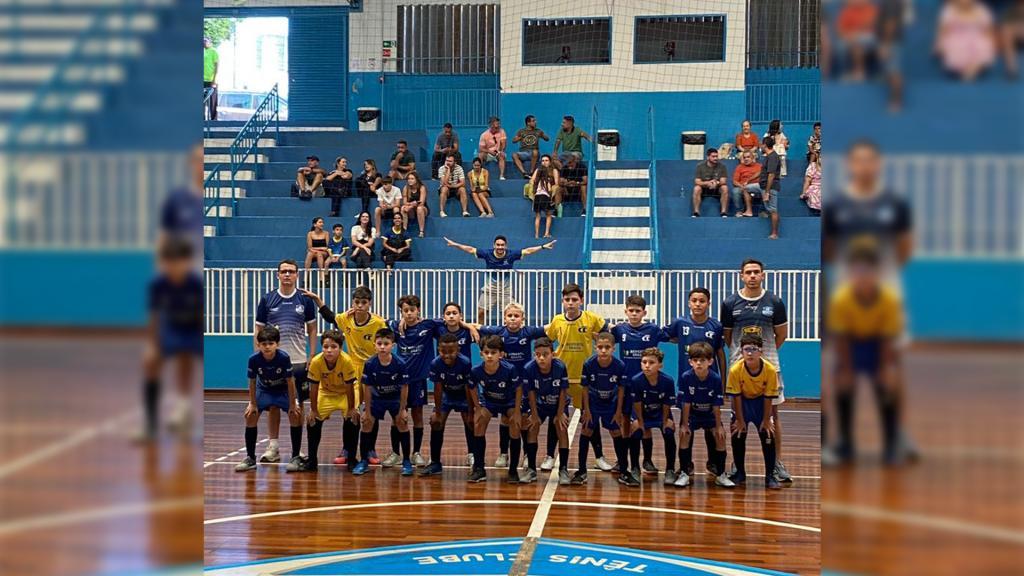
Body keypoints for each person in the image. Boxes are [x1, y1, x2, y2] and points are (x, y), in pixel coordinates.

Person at [827, 238, 906, 466]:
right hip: (851, 346)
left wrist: (885, 369)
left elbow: (888, 338)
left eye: (868, 271)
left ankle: (891, 444)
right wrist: (847, 371)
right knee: (843, 390)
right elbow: (841, 338)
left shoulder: (888, 299)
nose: (863, 276)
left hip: (878, 345)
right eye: (858, 270)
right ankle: (846, 444)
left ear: (876, 273)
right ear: (852, 272)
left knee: (888, 389)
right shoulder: (842, 299)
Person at [721, 258, 791, 483]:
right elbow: (729, 336)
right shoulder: (730, 302)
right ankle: (737, 464)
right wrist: (742, 357)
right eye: (748, 272)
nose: (752, 276)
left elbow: (781, 335)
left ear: (763, 275)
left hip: (769, 364)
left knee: (773, 415)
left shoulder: (775, 302)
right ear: (741, 275)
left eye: (756, 272)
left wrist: (763, 355)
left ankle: (777, 462)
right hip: (739, 366)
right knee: (736, 415)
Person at [304, 284, 388, 465]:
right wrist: (317, 300)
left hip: (372, 368)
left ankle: (370, 449)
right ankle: (347, 449)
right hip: (353, 368)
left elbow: (389, 336)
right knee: (352, 411)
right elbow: (330, 316)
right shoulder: (346, 319)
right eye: (357, 302)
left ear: (370, 304)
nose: (359, 306)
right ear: (353, 302)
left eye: (363, 302)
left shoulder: (378, 323)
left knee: (371, 410)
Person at [253, 260, 317, 469]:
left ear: (297, 275)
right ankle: (273, 447)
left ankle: (297, 450)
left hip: (298, 362)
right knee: (272, 405)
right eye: (284, 272)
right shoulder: (267, 299)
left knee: (295, 406)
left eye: (291, 271)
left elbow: (312, 329)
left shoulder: (305, 300)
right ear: (278, 275)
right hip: (273, 361)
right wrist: (259, 356)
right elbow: (259, 330)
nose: (287, 275)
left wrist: (312, 355)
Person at [139, 237, 202, 441]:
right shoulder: (159, 284)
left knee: (186, 358)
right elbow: (154, 316)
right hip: (172, 328)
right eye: (169, 262)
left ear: (186, 262)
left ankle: (184, 407)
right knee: (150, 364)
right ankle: (150, 425)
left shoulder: (194, 283)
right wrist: (152, 344)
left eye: (178, 262)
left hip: (193, 329)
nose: (174, 266)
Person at [477, 301, 548, 467]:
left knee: (521, 419)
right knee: (505, 419)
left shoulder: (528, 332)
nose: (513, 319)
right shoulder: (498, 332)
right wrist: (467, 325)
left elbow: (550, 327)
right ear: (504, 318)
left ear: (522, 318)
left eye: (516, 316)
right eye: (510, 316)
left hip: (523, 383)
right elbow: (477, 327)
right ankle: (503, 453)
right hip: (504, 382)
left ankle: (524, 455)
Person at [442, 235, 557, 324]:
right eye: (498, 245)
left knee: (511, 314)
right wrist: (455, 244)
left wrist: (542, 247)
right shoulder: (487, 254)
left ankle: (512, 333)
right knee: (481, 313)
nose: (500, 247)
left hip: (505, 291)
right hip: (489, 290)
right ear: (494, 245)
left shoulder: (511, 255)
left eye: (502, 245)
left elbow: (527, 251)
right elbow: (471, 249)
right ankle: (480, 333)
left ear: (505, 246)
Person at [387, 295, 444, 467]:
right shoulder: (396, 327)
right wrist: (397, 322)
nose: (409, 314)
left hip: (418, 380)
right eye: (405, 311)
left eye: (412, 310)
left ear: (418, 310)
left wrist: (468, 327)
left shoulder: (428, 325)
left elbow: (451, 322)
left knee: (417, 415)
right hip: (399, 379)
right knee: (397, 417)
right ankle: (396, 453)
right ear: (401, 312)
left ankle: (416, 452)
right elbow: (382, 322)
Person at [235, 326, 301, 472]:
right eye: (263, 344)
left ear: (277, 344)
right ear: (258, 345)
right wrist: (252, 403)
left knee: (295, 415)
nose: (267, 347)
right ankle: (250, 458)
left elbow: (290, 381)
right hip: (264, 390)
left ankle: (295, 456)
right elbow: (252, 382)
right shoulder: (254, 359)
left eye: (271, 343)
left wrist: (292, 404)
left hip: (282, 390)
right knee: (250, 415)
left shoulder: (283, 357)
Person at [352, 328, 413, 476]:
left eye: (386, 344)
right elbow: (367, 387)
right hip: (377, 398)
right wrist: (366, 409)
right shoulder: (370, 363)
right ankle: (364, 461)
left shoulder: (400, 363)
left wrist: (403, 409)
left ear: (393, 345)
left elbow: (405, 387)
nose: (382, 347)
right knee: (367, 423)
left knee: (402, 423)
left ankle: (406, 461)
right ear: (374, 345)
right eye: (379, 343)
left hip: (395, 398)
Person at [674, 342, 735, 488]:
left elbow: (716, 404)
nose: (699, 363)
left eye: (702, 360)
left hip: (709, 414)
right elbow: (686, 403)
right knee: (684, 435)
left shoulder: (715, 379)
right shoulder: (686, 377)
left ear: (710, 362)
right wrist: (684, 424)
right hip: (693, 414)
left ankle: (720, 474)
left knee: (720, 436)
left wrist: (718, 426)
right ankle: (684, 473)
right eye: (695, 360)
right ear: (690, 362)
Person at [726, 333, 781, 490]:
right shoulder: (736, 370)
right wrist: (740, 420)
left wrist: (765, 420)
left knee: (768, 434)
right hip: (742, 403)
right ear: (741, 352)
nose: (750, 353)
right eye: (746, 349)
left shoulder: (770, 370)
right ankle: (740, 472)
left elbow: (769, 397)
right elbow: (735, 397)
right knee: (737, 433)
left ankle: (770, 475)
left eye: (754, 349)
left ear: (761, 352)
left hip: (760, 404)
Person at [300, 330, 359, 472]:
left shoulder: (346, 361)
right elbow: (313, 387)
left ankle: (351, 459)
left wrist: (351, 409)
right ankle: (312, 460)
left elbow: (349, 387)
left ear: (340, 347)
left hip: (346, 393)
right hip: (326, 393)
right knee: (312, 421)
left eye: (333, 347)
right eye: (326, 347)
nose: (329, 350)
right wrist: (313, 410)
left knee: (353, 419)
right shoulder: (316, 361)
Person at [466, 336, 522, 483]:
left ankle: (513, 470)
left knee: (515, 424)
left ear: (501, 354)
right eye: (486, 352)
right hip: (490, 401)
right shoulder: (476, 370)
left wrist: (516, 412)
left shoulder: (509, 369)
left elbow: (519, 389)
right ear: (481, 354)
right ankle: (479, 468)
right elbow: (472, 387)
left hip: (508, 401)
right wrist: (477, 408)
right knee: (479, 422)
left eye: (493, 352)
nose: (489, 356)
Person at [420, 333, 475, 476]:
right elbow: (438, 389)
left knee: (471, 422)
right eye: (443, 351)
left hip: (463, 395)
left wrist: (471, 412)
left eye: (451, 351)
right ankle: (435, 462)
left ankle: (473, 456)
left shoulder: (465, 362)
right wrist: (438, 413)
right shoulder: (436, 363)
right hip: (447, 394)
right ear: (439, 350)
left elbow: (468, 388)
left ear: (458, 350)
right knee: (436, 423)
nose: (447, 355)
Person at [578, 333, 629, 485]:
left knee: (615, 431)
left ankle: (623, 469)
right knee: (586, 431)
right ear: (595, 348)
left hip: (611, 404)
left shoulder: (619, 366)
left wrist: (618, 411)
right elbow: (585, 389)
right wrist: (586, 410)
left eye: (607, 347)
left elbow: (621, 389)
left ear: (613, 348)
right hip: (593, 403)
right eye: (600, 347)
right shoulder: (589, 364)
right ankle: (581, 471)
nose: (604, 350)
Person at [521, 338, 571, 485]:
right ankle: (531, 469)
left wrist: (560, 413)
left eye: (545, 354)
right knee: (532, 427)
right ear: (534, 354)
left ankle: (563, 469)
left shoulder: (560, 367)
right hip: (539, 405)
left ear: (552, 354)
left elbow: (563, 391)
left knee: (562, 428)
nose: (541, 358)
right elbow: (530, 393)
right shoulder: (529, 368)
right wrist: (535, 415)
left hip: (558, 404)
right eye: (538, 355)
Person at [627, 348, 677, 486]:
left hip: (661, 412)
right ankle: (636, 468)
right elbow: (637, 403)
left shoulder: (667, 381)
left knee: (668, 431)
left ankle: (670, 470)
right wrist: (640, 422)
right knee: (636, 431)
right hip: (642, 412)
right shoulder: (636, 380)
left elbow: (667, 403)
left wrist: (665, 420)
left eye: (651, 362)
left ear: (660, 365)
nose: (647, 365)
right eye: (644, 362)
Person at [662, 287, 728, 380]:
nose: (697, 304)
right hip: (686, 377)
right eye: (694, 301)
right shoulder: (680, 322)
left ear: (708, 304)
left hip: (710, 379)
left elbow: (720, 354)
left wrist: (723, 382)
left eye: (702, 301)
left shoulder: (716, 326)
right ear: (689, 303)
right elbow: (662, 335)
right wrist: (679, 339)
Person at [935, 0, 996, 82]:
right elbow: (943, 30)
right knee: (954, 46)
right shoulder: (949, 11)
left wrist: (991, 41)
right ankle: (962, 69)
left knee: (984, 45)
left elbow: (988, 29)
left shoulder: (981, 10)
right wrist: (939, 43)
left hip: (977, 37)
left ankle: (974, 67)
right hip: (955, 37)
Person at [835, 0, 879, 81]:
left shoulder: (871, 9)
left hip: (868, 38)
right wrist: (849, 36)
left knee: (860, 43)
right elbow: (840, 30)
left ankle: (860, 72)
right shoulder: (847, 11)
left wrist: (856, 35)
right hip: (849, 37)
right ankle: (846, 72)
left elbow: (870, 26)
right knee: (840, 46)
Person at [692, 148, 729, 218]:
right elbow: (697, 181)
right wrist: (707, 183)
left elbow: (723, 181)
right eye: (713, 156)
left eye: (716, 156)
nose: (716, 158)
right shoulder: (700, 166)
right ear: (708, 157)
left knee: (725, 188)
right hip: (704, 188)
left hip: (717, 188)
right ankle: (696, 212)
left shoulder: (722, 166)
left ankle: (723, 212)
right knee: (696, 188)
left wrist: (716, 183)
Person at [759, 136, 782, 239]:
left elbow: (771, 175)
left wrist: (767, 192)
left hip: (771, 188)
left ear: (765, 145)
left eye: (761, 144)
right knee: (748, 188)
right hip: (763, 186)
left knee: (773, 210)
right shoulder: (767, 157)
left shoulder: (773, 157)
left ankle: (774, 233)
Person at [731, 150, 763, 217]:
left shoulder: (760, 166)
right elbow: (734, 181)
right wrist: (741, 186)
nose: (746, 159)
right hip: (742, 186)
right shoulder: (739, 167)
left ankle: (763, 211)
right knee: (735, 191)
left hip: (756, 186)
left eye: (748, 157)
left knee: (766, 189)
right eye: (744, 157)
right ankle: (740, 211)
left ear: (753, 158)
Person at [438, 154, 470, 218]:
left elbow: (463, 183)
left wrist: (453, 186)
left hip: (455, 188)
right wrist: (448, 170)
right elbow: (444, 183)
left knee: (462, 189)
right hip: (446, 188)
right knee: (444, 189)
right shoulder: (441, 168)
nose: (448, 162)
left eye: (450, 161)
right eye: (447, 160)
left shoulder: (459, 168)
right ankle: (442, 211)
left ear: (455, 162)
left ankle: (465, 211)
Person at [401, 171, 429, 237]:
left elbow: (421, 202)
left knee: (419, 208)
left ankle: (421, 231)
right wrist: (411, 205)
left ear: (416, 180)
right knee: (403, 208)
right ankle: (404, 230)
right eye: (408, 179)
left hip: (423, 209)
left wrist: (411, 206)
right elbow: (404, 202)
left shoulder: (422, 187)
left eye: (412, 179)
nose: (410, 180)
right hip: (412, 211)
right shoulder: (406, 188)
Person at [531, 164, 555, 238]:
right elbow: (550, 190)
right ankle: (546, 233)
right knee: (548, 215)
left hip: (537, 197)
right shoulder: (546, 180)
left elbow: (533, 191)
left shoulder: (536, 182)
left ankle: (536, 234)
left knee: (538, 216)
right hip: (545, 197)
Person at [1001, 0, 1024, 78]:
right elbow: (1006, 27)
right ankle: (1012, 69)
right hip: (1017, 35)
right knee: (1006, 32)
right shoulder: (1011, 12)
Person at [203, 37, 218, 121]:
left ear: (210, 42)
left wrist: (214, 80)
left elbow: (217, 66)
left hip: (211, 81)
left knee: (212, 102)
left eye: (206, 41)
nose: (204, 42)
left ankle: (214, 120)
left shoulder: (214, 51)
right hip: (202, 80)